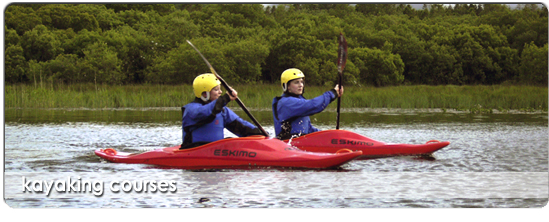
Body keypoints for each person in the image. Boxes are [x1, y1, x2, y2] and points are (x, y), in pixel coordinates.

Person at [181, 73, 263, 148]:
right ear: (205, 94)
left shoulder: (223, 111)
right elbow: (206, 113)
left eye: (220, 89)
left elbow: (242, 126)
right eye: (216, 90)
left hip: (216, 152)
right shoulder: (191, 110)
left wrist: (261, 134)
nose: (220, 92)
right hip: (194, 151)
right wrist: (225, 98)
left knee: (232, 142)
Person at [272, 68, 343, 140]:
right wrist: (332, 93)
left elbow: (308, 129)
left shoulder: (299, 102)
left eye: (302, 82)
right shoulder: (285, 103)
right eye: (296, 82)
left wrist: (330, 136)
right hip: (286, 145)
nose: (301, 85)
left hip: (300, 144)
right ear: (287, 86)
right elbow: (314, 105)